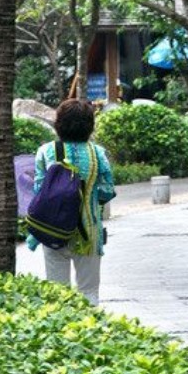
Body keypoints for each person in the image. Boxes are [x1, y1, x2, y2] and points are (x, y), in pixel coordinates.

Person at [31, 98, 116, 305]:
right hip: (89, 231)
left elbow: (38, 189)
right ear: (90, 125)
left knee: (57, 293)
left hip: (53, 229)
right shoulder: (98, 153)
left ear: (59, 123)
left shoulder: (46, 151)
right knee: (89, 292)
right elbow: (107, 190)